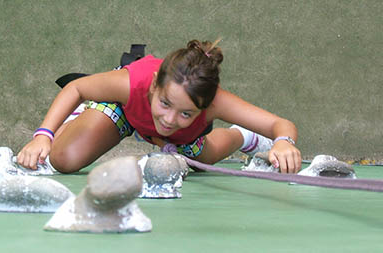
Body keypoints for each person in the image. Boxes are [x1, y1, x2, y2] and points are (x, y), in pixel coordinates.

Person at [17, 39, 301, 174]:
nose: (169, 118)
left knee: (205, 160)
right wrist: (44, 134)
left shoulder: (215, 101)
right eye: (165, 103)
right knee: (64, 159)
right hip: (128, 112)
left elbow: (281, 125)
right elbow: (76, 88)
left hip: (183, 139)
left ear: (204, 108)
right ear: (154, 86)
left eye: (186, 112)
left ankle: (244, 136)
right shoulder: (133, 82)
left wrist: (284, 142)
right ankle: (83, 118)